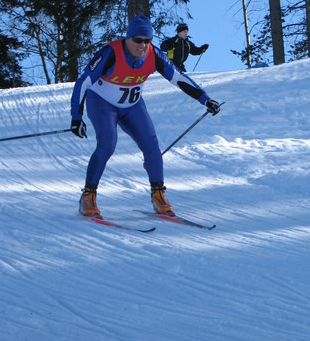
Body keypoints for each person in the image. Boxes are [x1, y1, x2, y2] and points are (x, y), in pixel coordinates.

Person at [70, 15, 221, 217]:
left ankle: (158, 194)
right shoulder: (110, 53)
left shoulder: (153, 54)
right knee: (107, 144)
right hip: (102, 104)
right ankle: (88, 196)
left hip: (132, 106)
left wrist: (205, 99)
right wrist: (76, 117)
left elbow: (178, 78)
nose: (142, 45)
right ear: (128, 38)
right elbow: (84, 82)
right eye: (138, 40)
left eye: (147, 41)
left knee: (151, 145)